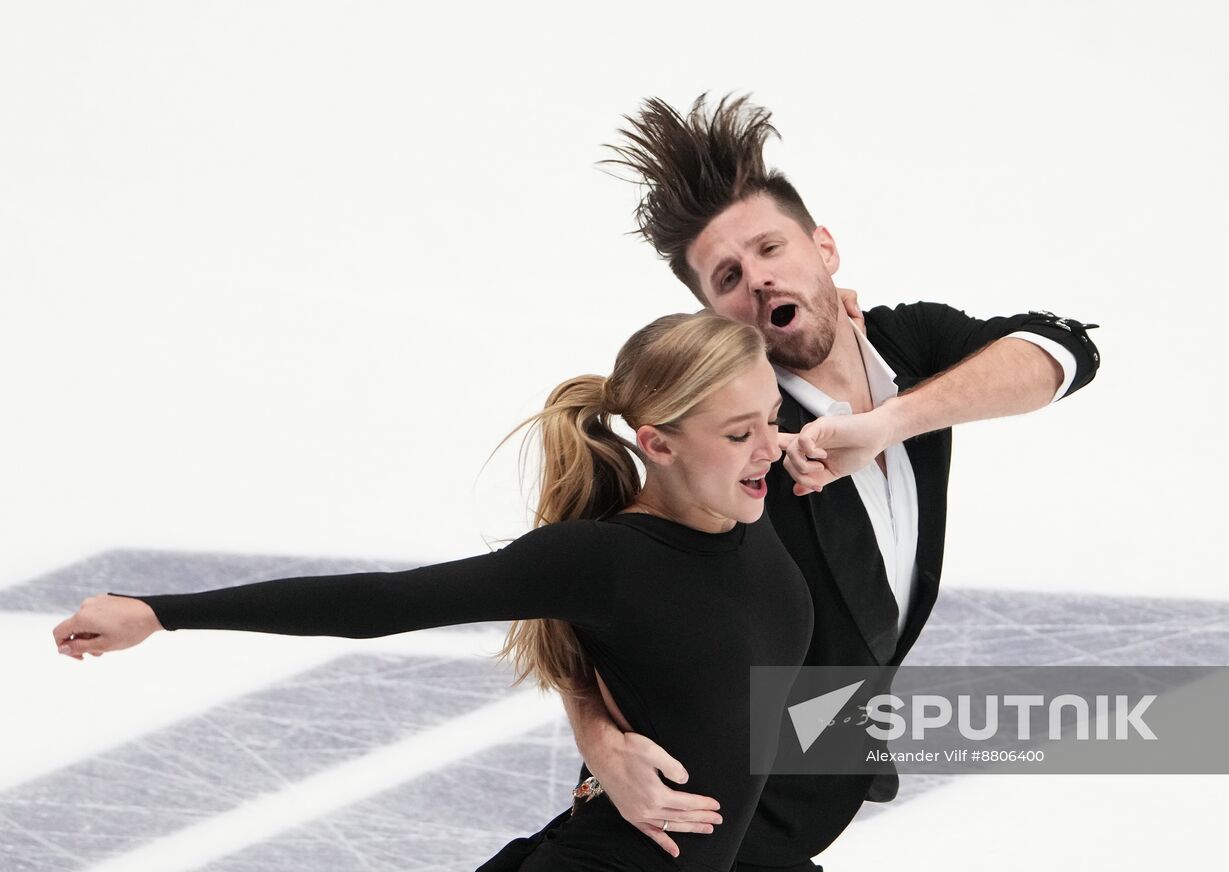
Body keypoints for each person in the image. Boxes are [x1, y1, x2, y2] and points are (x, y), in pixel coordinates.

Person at [52, 311, 816, 872]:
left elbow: (735, 691)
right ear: (658, 442)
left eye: (774, 421)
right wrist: (162, 612)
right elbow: (386, 602)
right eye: (741, 431)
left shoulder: (755, 494)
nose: (769, 447)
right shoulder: (604, 561)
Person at [553, 95, 1103, 871]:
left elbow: (1065, 351)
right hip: (685, 827)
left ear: (825, 247)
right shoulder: (734, 440)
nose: (759, 280)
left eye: (771, 249)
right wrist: (598, 739)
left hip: (790, 820)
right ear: (715, 317)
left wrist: (888, 424)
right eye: (728, 277)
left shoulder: (913, 346)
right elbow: (588, 585)